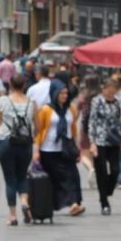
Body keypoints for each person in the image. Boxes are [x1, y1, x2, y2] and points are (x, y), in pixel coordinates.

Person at [0, 73, 37, 226]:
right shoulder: (32, 103)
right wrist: (29, 137)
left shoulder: (3, 101)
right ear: (24, 86)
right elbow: (39, 127)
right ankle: (24, 202)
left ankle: (13, 216)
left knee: (10, 179)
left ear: (10, 85)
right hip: (25, 144)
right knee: (22, 176)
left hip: (6, 142)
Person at [33, 80, 85, 217]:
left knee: (72, 177)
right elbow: (38, 131)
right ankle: (49, 205)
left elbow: (73, 130)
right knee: (53, 180)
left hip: (66, 149)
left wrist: (77, 148)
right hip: (48, 150)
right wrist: (36, 150)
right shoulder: (45, 110)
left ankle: (74, 204)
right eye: (61, 93)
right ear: (54, 93)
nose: (64, 96)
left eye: (66, 93)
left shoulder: (71, 109)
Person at [87, 78, 121, 215]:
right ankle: (104, 202)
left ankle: (107, 190)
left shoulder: (117, 102)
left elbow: (118, 120)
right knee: (101, 171)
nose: (111, 95)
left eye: (113, 93)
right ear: (103, 90)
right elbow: (92, 122)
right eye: (108, 92)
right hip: (100, 141)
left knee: (115, 170)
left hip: (113, 140)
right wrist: (92, 142)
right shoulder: (97, 101)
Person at [77, 74, 102, 188]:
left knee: (83, 153)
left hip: (85, 127)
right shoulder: (101, 96)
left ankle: (91, 169)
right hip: (99, 127)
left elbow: (77, 112)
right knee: (94, 152)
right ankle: (95, 174)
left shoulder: (83, 97)